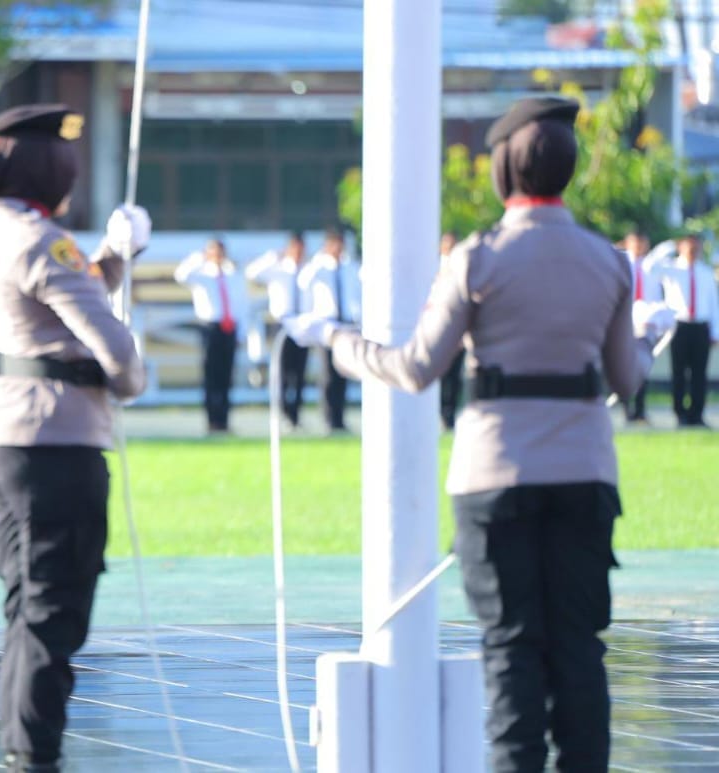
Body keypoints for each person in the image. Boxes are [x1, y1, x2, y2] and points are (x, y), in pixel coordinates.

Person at [286, 96, 671, 772]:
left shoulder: (478, 259)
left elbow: (414, 368)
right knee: (580, 646)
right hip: (584, 474)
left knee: (511, 649)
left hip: (496, 477)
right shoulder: (609, 262)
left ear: (502, 171)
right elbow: (627, 379)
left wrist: (335, 339)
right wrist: (648, 334)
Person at [0, 103, 149, 772]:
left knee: (26, 603)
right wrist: (131, 373)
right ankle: (34, 754)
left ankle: (23, 746)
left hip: (6, 434)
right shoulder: (40, 237)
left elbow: (61, 301)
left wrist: (113, 258)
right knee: (54, 609)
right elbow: (116, 353)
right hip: (55, 438)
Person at [175, 237, 249, 434]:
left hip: (229, 327)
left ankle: (224, 420)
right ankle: (212, 420)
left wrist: (241, 332)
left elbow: (240, 305)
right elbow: (181, 274)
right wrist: (201, 257)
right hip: (210, 327)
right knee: (211, 376)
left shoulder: (232, 275)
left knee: (226, 376)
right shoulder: (201, 274)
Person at [246, 231, 312, 428]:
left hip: (302, 322)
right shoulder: (278, 269)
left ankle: (295, 414)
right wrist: (273, 257)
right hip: (283, 322)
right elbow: (252, 273)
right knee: (282, 370)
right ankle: (282, 411)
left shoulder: (308, 270)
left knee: (299, 373)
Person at [303, 228, 361, 432]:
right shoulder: (318, 268)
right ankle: (328, 417)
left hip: (345, 323)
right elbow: (304, 282)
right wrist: (320, 258)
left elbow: (357, 292)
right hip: (326, 324)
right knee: (327, 373)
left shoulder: (349, 267)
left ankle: (340, 418)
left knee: (343, 372)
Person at [658, 233, 719, 427]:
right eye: (689, 246)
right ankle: (680, 413)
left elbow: (713, 303)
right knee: (679, 372)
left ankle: (697, 414)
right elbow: (650, 266)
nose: (694, 250)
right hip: (679, 325)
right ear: (681, 246)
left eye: (697, 246)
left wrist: (715, 331)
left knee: (699, 373)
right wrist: (669, 245)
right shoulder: (671, 268)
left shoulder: (705, 271)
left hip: (701, 326)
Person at [621, 227, 662, 424]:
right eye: (635, 243)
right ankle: (625, 408)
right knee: (623, 365)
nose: (639, 247)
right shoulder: (620, 263)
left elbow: (657, 296)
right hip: (624, 321)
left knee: (643, 367)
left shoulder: (652, 268)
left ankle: (640, 410)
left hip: (646, 323)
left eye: (642, 243)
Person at [437, 231, 466, 430]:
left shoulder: (462, 268)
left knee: (454, 378)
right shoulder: (434, 267)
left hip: (458, 331)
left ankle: (449, 416)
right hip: (438, 328)